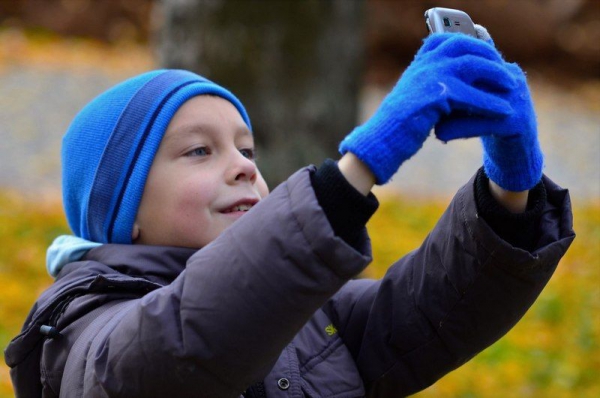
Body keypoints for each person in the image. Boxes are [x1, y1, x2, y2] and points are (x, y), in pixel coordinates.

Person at [5, 32, 574, 398]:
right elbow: (172, 348)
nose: (242, 168)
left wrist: (511, 182)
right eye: (199, 150)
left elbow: (434, 309)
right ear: (121, 211)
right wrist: (359, 167)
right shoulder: (80, 324)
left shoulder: (311, 314)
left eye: (247, 151)